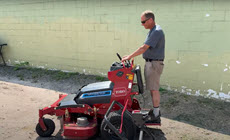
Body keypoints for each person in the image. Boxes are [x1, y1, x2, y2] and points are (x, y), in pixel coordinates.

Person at [122, 10, 165, 124]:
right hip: (151, 63)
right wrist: (130, 56)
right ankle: (155, 111)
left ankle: (156, 114)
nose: (142, 24)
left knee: (154, 89)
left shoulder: (156, 31)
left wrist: (129, 56)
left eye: (143, 21)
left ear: (150, 20)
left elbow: (143, 48)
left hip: (154, 64)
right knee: (152, 88)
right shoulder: (152, 30)